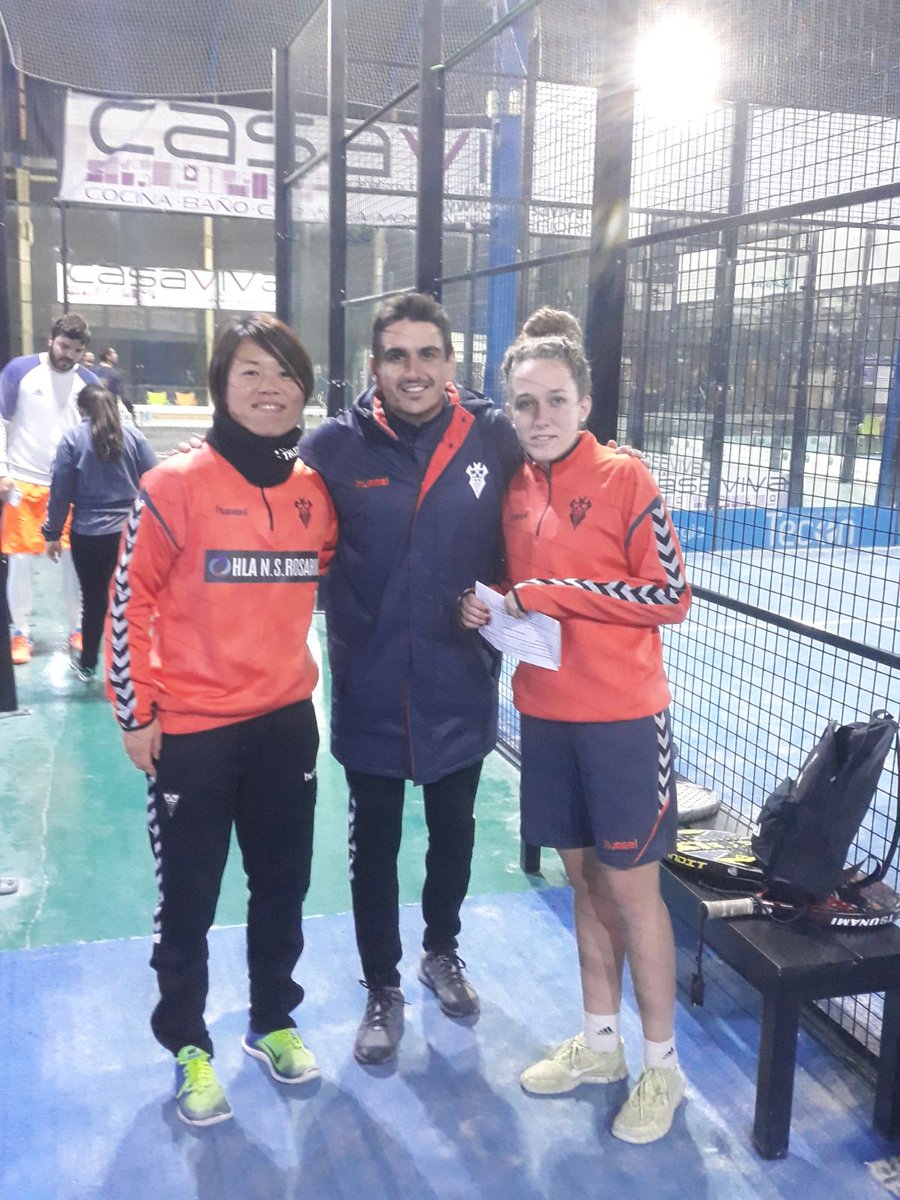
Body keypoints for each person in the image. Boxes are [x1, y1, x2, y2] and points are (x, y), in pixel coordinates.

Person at [460, 309, 692, 1145]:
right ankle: (602, 1044)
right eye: (524, 404)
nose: (541, 416)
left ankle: (663, 1066)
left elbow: (668, 594)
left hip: (624, 723)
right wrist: (485, 607)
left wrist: (549, 593)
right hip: (546, 721)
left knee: (635, 896)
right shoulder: (514, 489)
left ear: (584, 403)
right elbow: (513, 596)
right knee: (586, 887)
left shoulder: (627, 478)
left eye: (555, 399)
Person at [106, 314, 337, 1128]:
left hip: (284, 725)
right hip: (194, 732)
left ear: (303, 386)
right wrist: (136, 713)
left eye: (282, 372)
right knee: (190, 900)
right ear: (222, 386)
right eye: (249, 372)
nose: (268, 387)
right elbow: (128, 599)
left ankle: (271, 1020)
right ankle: (188, 1045)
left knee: (283, 885)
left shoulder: (313, 492)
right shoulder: (174, 485)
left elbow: (333, 571)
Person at [299, 291, 523, 1065]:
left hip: (460, 680)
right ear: (374, 365)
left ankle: (441, 950)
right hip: (369, 685)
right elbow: (272, 510)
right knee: (375, 847)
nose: (414, 369)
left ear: (451, 363)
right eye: (397, 355)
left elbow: (543, 508)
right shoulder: (332, 448)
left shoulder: (492, 436)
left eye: (429, 353)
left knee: (454, 834)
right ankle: (380, 987)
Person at [0, 313, 99, 665]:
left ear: (83, 351)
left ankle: (77, 628)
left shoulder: (89, 382)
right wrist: (1, 470)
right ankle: (20, 634)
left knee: (75, 564)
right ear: (50, 340)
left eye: (75, 349)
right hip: (23, 483)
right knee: (21, 562)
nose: (67, 354)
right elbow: (1, 420)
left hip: (70, 489)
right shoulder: (19, 371)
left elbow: (97, 434)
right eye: (63, 346)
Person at [42, 384, 157, 681]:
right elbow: (158, 481)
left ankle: (89, 664)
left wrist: (52, 533)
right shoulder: (134, 437)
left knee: (94, 601)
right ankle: (133, 666)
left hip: (88, 535)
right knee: (131, 600)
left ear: (80, 409)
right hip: (132, 533)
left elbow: (59, 492)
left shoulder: (71, 439)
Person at [93, 346, 134, 416]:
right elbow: (123, 395)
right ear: (108, 357)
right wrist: (131, 409)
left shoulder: (92, 371)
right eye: (114, 353)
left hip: (93, 409)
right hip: (109, 411)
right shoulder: (115, 374)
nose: (116, 355)